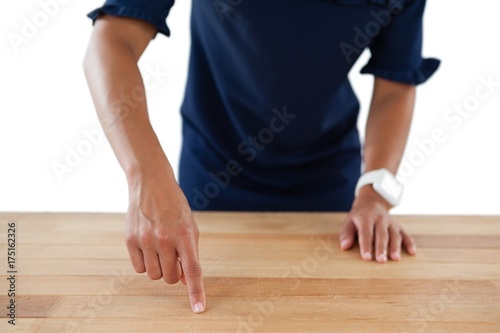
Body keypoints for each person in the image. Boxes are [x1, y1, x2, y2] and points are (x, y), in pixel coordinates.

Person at [83, 0, 439, 314]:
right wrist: (145, 175)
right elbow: (114, 37)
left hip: (331, 187)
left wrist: (375, 192)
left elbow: (395, 84)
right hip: (212, 175)